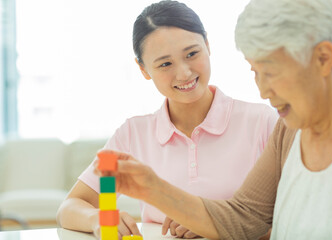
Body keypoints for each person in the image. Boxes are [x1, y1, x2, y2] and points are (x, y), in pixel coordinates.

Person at [90, 0, 332, 239]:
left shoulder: (271, 123)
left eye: (271, 73)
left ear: (323, 58)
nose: (263, 92)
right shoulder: (288, 131)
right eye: (255, 72)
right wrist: (152, 188)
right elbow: (245, 217)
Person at [56, 0, 278, 239]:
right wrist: (100, 218)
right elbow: (70, 207)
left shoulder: (262, 123)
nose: (184, 73)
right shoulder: (133, 134)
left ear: (208, 45)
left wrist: (213, 222)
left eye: (192, 54)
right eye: (165, 64)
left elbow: (293, 217)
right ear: (143, 70)